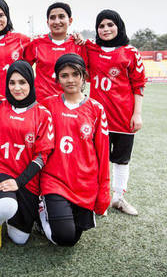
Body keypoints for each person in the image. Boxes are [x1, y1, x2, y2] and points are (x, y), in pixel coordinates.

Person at [39, 54, 110, 247]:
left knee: (75, 236)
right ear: (57, 79)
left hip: (84, 183)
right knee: (65, 238)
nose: (70, 80)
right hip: (55, 180)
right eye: (64, 75)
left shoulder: (96, 109)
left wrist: (104, 191)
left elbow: (103, 154)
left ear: (84, 76)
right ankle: (41, 211)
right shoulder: (47, 105)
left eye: (75, 74)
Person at [0, 60, 54, 249]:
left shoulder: (42, 114)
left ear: (31, 83)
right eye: (12, 82)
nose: (17, 88)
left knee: (20, 238)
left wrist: (19, 181)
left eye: (22, 82)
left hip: (27, 179)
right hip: (1, 170)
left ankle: (30, 210)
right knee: (6, 206)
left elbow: (42, 156)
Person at [85, 9, 146, 215]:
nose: (105, 29)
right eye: (101, 26)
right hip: (97, 119)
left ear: (119, 26)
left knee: (121, 160)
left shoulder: (130, 52)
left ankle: (119, 198)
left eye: (110, 25)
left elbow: (139, 85)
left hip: (123, 117)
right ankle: (95, 198)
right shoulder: (90, 49)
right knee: (94, 160)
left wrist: (137, 114)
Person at [24, 2, 86, 102]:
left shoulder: (78, 44)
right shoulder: (36, 44)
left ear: (70, 20)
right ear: (47, 22)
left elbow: (86, 75)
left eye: (61, 17)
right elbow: (23, 69)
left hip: (69, 104)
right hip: (42, 103)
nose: (57, 21)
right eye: (52, 18)